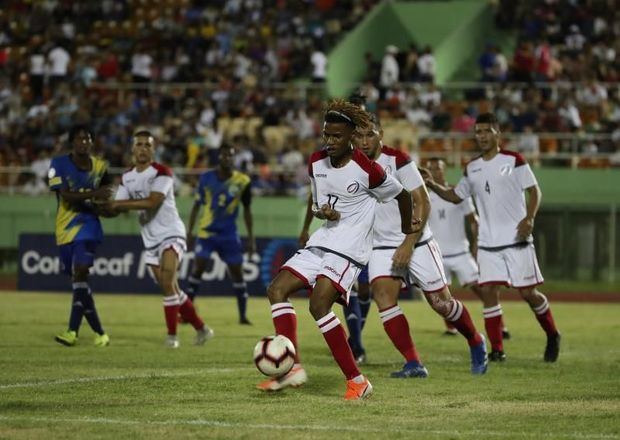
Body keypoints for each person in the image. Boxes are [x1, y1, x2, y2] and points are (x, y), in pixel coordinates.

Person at [258, 100, 418, 400]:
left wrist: (408, 228)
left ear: (352, 137)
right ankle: (291, 369)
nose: (330, 142)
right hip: (323, 240)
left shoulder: (367, 169)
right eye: (326, 135)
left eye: (337, 137)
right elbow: (319, 206)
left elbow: (404, 195)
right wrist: (324, 214)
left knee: (319, 305)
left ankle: (358, 381)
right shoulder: (316, 161)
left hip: (349, 248)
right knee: (276, 289)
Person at [354, 116, 488, 377]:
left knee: (440, 303)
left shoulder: (398, 160)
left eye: (369, 134)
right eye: (358, 136)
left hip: (418, 240)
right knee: (382, 297)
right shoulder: (354, 165)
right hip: (381, 245)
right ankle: (414, 363)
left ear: (380, 133)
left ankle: (475, 340)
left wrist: (409, 242)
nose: (364, 141)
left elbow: (423, 201)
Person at [423, 113, 561, 362]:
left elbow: (534, 191)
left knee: (528, 294)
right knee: (488, 293)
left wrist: (529, 218)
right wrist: (432, 185)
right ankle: (497, 350)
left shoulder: (514, 160)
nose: (482, 136)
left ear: (498, 133)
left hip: (517, 239)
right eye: (478, 132)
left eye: (487, 131)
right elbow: (455, 196)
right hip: (488, 243)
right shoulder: (472, 167)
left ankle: (552, 334)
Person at [102, 130, 212, 348]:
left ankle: (172, 337)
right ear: (132, 149)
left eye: (147, 145)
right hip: (150, 238)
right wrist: (100, 207)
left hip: (171, 232)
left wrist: (116, 204)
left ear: (154, 149)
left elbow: (152, 201)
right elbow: (119, 209)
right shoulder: (127, 177)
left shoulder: (162, 172)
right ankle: (202, 329)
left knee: (167, 281)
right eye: (139, 144)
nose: (143, 148)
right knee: (169, 287)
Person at [426, 157, 510, 339]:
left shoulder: (457, 192)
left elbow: (474, 221)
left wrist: (476, 243)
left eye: (438, 168)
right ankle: (451, 327)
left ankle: (500, 326)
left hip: (460, 252)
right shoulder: (424, 196)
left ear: (444, 170)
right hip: (437, 255)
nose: (435, 172)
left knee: (482, 289)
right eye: (431, 169)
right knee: (439, 296)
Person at [49, 124, 111, 347]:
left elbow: (108, 199)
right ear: (72, 142)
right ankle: (100, 332)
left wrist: (108, 208)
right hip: (65, 228)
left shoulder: (101, 168)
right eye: (79, 139)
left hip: (89, 227)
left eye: (87, 139)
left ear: (92, 142)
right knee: (79, 283)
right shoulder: (57, 165)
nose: (83, 142)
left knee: (81, 272)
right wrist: (96, 194)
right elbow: (65, 195)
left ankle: (71, 332)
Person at [185, 144, 255, 325]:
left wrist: (251, 238)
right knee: (197, 270)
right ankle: (186, 314)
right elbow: (196, 206)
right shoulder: (206, 178)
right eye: (224, 155)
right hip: (206, 233)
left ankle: (243, 316)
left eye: (230, 156)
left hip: (229, 236)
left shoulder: (243, 181)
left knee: (238, 274)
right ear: (219, 157)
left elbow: (247, 210)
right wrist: (189, 231)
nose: (227, 159)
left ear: (234, 158)